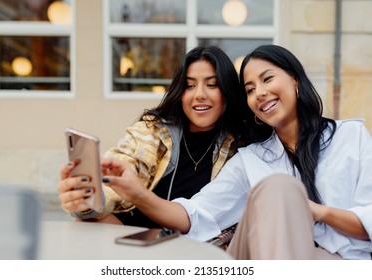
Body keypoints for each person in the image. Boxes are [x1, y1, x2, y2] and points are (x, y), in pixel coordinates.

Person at [100, 44, 372, 259]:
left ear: (295, 80)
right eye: (250, 89)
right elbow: (196, 214)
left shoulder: (351, 136)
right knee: (278, 187)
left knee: (282, 190)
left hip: (343, 261)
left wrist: (315, 212)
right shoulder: (251, 159)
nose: (260, 93)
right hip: (271, 259)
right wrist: (138, 193)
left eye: (267, 79)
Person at [57, 45, 246, 229]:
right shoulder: (152, 132)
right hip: (135, 237)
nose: (199, 95)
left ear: (227, 90)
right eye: (189, 86)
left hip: (191, 246)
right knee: (86, 224)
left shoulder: (239, 147)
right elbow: (123, 164)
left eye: (212, 85)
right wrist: (88, 200)